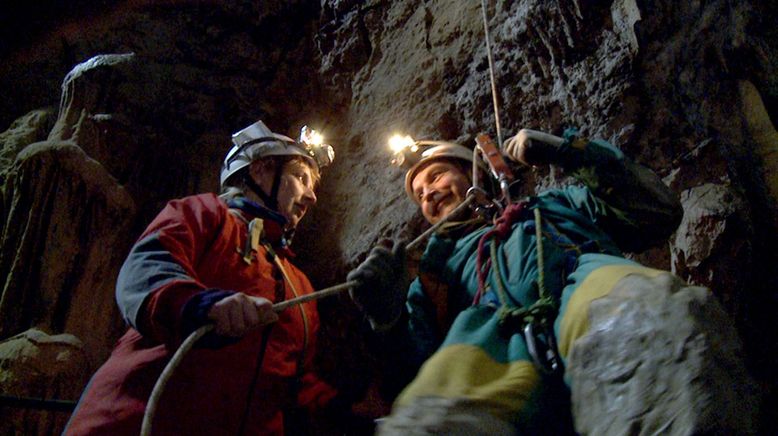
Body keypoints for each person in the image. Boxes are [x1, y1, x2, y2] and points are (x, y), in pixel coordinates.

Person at [347, 128, 683, 435]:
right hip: (491, 346)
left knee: (654, 319)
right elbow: (413, 368)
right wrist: (388, 322)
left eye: (436, 177)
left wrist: (572, 152)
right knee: (434, 417)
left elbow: (657, 212)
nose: (428, 195)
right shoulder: (434, 279)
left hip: (587, 298)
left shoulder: (558, 205)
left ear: (472, 173)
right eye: (419, 195)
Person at [65, 120, 340, 435]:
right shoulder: (205, 215)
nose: (311, 197)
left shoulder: (298, 284)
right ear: (262, 169)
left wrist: (346, 408)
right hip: (135, 421)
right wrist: (201, 306)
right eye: (301, 178)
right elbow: (147, 270)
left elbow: (295, 384)